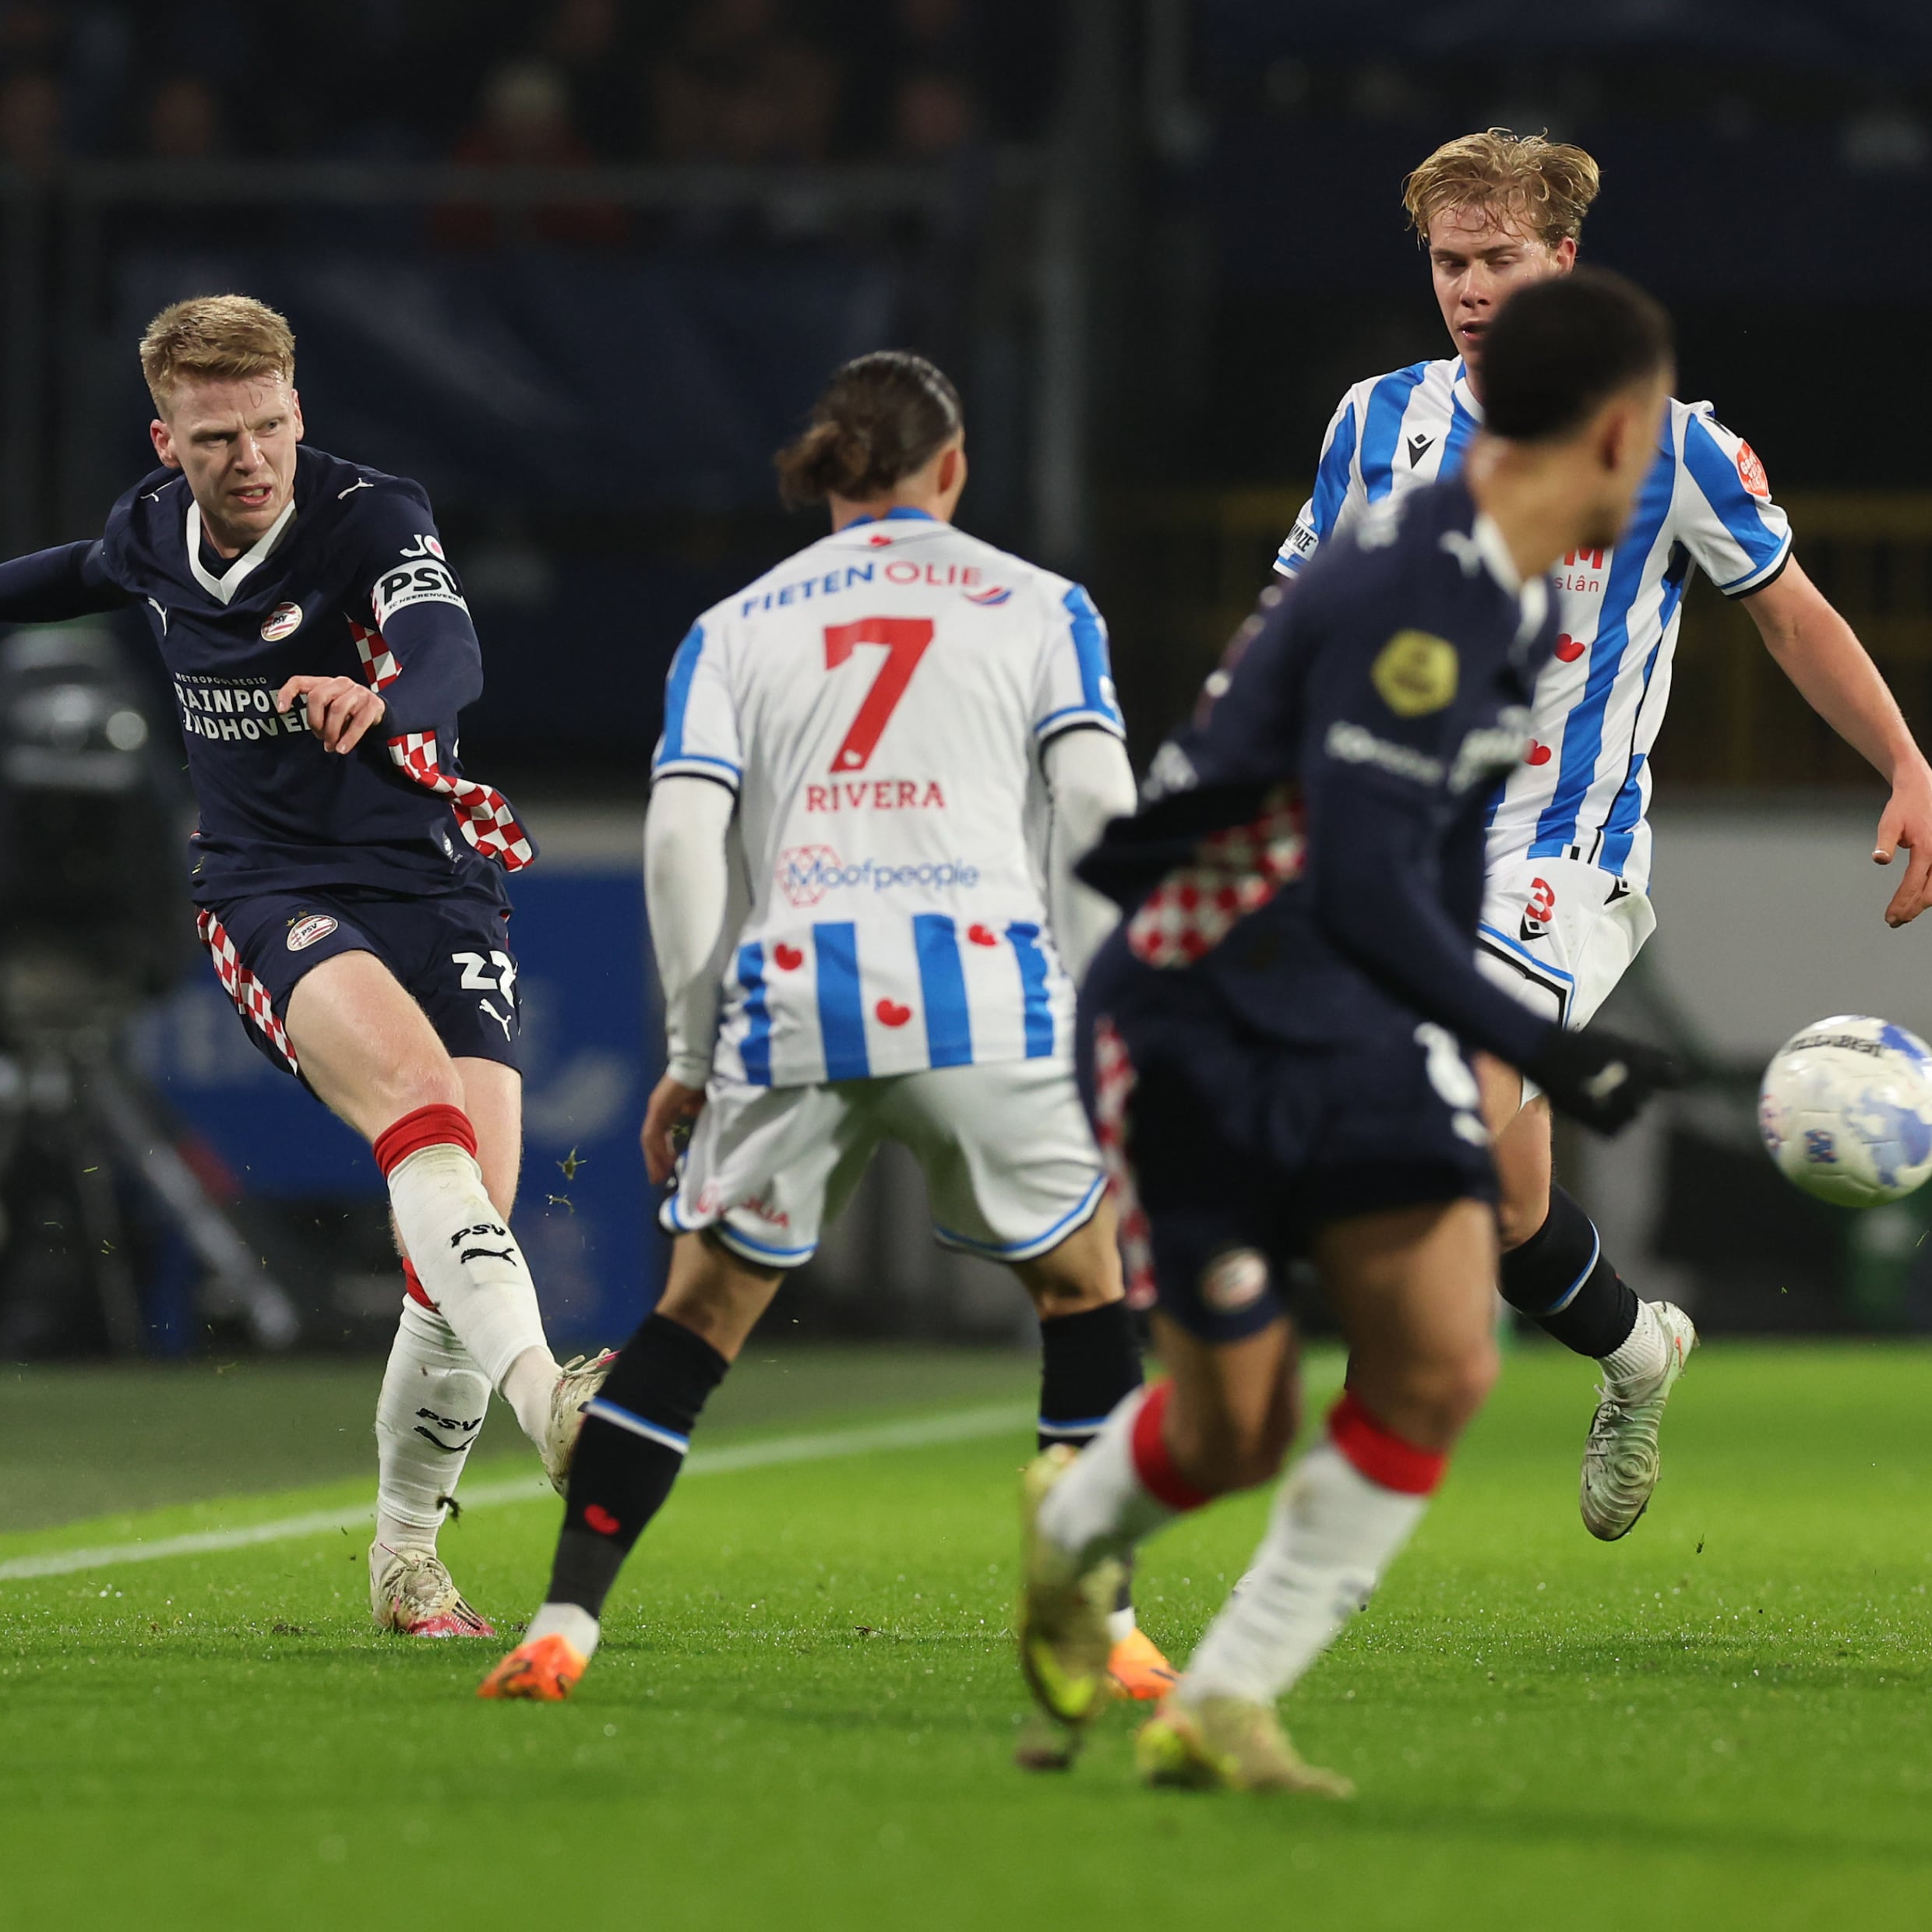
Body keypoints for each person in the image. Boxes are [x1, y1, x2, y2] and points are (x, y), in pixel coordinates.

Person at [1018, 270, 1683, 1794]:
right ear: (1617, 429)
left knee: (1443, 1359)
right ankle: (1066, 1533)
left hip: (1351, 1012)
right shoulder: (1425, 584)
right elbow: (1368, 873)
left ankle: (1225, 1697)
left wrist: (1458, 1033)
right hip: (1196, 1007)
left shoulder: (1502, 599)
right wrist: (1547, 1041)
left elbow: (1409, 881)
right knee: (1233, 1425)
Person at [478, 350, 1170, 1705]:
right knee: (1087, 1296)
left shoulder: (736, 624)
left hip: (800, 995)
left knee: (695, 1326)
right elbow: (1098, 812)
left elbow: (684, 843)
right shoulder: (1043, 607)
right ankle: (1110, 1624)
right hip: (990, 995)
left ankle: (565, 1622)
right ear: (954, 468)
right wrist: (1106, 1021)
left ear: (825, 475)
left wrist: (689, 1049)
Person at [1272, 129, 1932, 1540]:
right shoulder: (1374, 423)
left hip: (1558, 852)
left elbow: (1792, 615)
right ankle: (1639, 1354)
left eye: (1497, 259)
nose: (1467, 287)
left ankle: (1366, 1447)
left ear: (1562, 260)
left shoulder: (1673, 445)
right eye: (1450, 262)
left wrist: (1906, 759)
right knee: (1519, 1226)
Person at [0, 294, 611, 1638]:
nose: (251, 458)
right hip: (271, 891)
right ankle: (551, 1402)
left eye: (270, 424)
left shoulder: (371, 515)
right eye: (217, 437)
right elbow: (50, 583)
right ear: (169, 440)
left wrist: (388, 701)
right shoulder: (149, 534)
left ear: (296, 409)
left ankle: (406, 1558)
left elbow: (449, 645)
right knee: (420, 1113)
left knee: (460, 1233)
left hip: (434, 882)